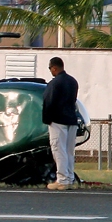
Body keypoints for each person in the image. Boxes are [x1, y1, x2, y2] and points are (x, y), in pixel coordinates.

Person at [42, 56, 79, 191]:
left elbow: (48, 101)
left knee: (59, 150)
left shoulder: (54, 83)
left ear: (54, 68)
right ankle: (69, 178)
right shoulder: (73, 81)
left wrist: (46, 119)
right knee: (69, 151)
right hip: (72, 120)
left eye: (50, 68)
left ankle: (62, 180)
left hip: (58, 120)